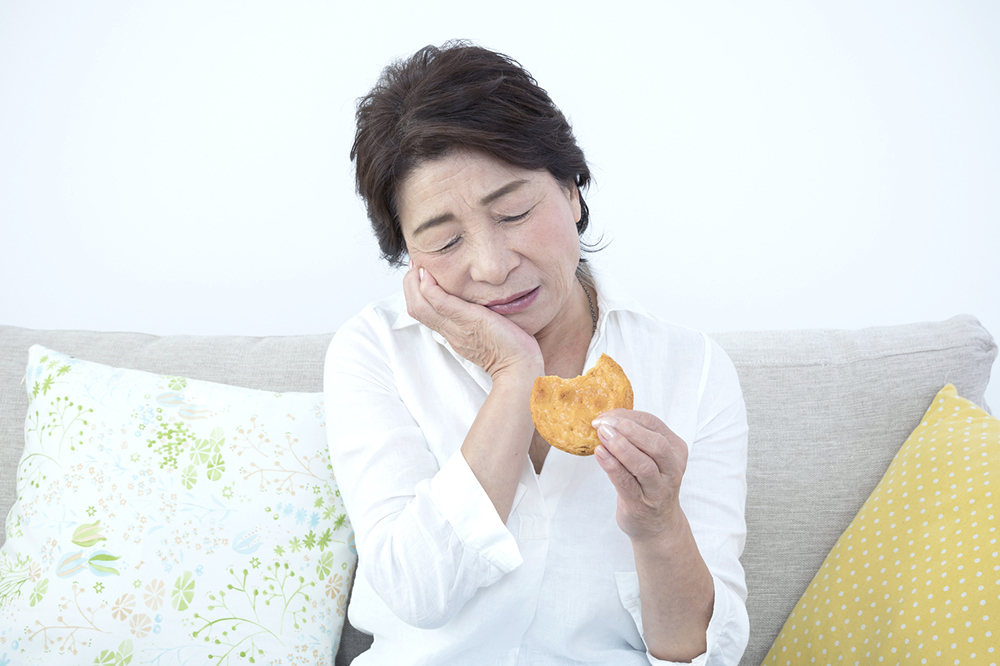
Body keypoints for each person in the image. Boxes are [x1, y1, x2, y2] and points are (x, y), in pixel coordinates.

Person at [325, 41, 749, 665]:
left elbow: (701, 654)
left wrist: (658, 523)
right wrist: (514, 372)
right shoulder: (375, 351)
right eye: (445, 243)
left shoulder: (692, 368)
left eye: (514, 213)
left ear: (573, 192)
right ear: (408, 257)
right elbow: (418, 592)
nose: (492, 267)